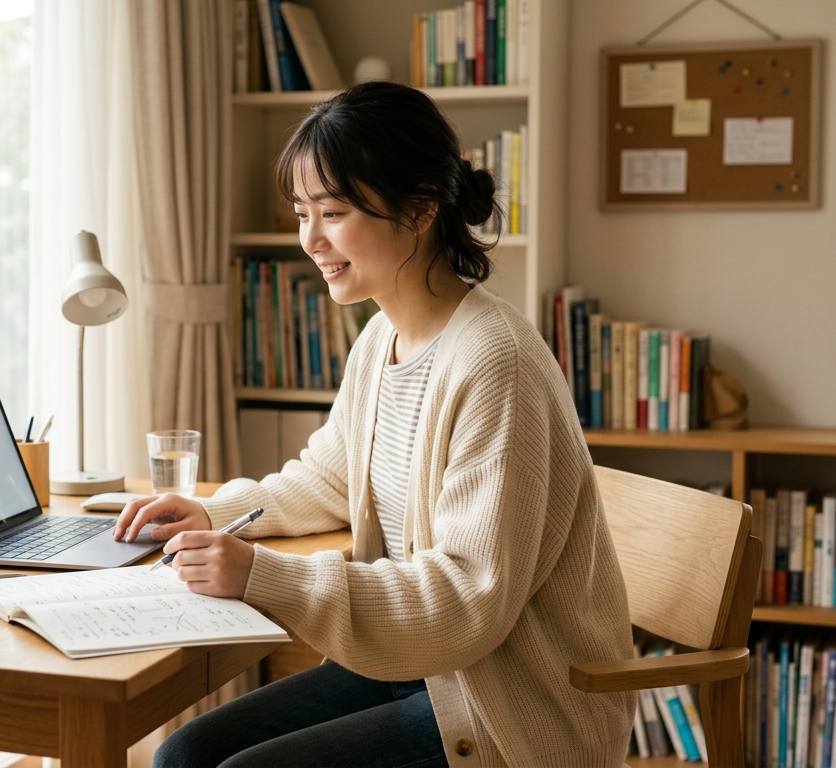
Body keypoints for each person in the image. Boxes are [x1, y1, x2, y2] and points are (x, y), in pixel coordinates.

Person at [114, 81, 635, 768]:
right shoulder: (380, 339)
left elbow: (463, 599)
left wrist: (264, 575)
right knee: (183, 754)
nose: (310, 239)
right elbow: (329, 475)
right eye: (302, 212)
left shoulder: (494, 362)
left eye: (333, 212)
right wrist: (214, 514)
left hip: (505, 699)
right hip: (423, 665)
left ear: (420, 209)